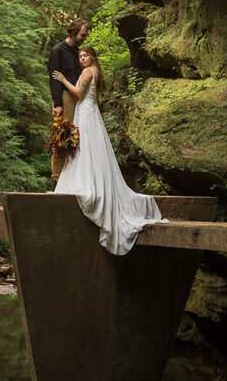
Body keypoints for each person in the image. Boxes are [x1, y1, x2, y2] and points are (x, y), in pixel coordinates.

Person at [52, 45, 166, 255]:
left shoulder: (88, 72)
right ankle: (94, 179)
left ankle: (90, 184)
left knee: (86, 148)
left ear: (92, 57)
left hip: (86, 114)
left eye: (85, 55)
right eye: (80, 56)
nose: (82, 59)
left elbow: (78, 94)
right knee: (91, 149)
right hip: (90, 112)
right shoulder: (96, 72)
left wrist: (63, 80)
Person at [47, 18, 89, 180]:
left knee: (75, 138)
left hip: (77, 97)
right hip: (64, 97)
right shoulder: (58, 50)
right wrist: (58, 104)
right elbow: (54, 79)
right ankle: (57, 178)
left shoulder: (76, 51)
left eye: (85, 35)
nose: (84, 38)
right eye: (82, 35)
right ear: (72, 33)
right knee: (62, 136)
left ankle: (70, 178)